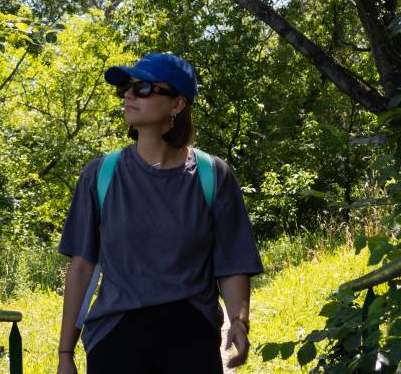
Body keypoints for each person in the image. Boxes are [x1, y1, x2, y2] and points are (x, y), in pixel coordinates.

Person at [56, 53, 264, 374]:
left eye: (143, 88)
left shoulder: (213, 175)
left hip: (191, 338)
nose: (128, 94)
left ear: (177, 104)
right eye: (127, 87)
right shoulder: (100, 175)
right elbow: (82, 267)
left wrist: (239, 321)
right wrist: (65, 353)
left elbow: (233, 262)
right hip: (115, 339)